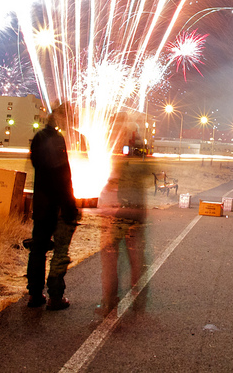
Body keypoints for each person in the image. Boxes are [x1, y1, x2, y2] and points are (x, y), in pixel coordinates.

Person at [97, 115, 152, 316]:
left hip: (121, 214)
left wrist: (106, 205)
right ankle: (138, 303)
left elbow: (113, 181)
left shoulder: (122, 159)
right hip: (138, 213)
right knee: (137, 260)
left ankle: (110, 302)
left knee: (110, 259)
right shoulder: (143, 159)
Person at [26, 109, 80, 310]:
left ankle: (34, 294)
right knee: (60, 252)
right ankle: (55, 297)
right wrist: (69, 204)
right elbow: (62, 175)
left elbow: (38, 167)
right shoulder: (56, 140)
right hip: (54, 205)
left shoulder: (38, 137)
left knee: (38, 250)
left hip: (40, 204)